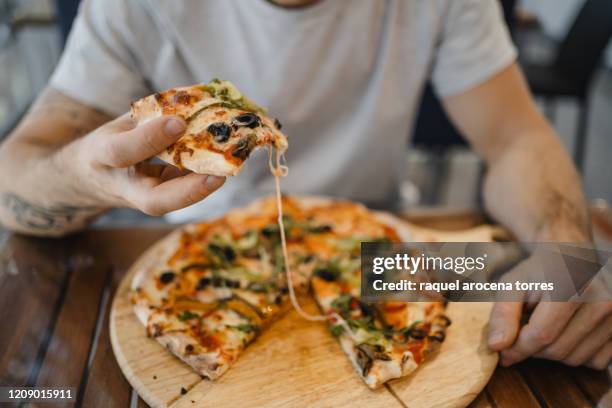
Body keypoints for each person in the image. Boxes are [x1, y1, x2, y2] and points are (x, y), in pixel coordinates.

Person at [0, 0, 609, 370]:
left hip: (383, 259)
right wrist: (83, 173)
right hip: (190, 251)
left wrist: (565, 239)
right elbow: (14, 180)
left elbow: (516, 139)